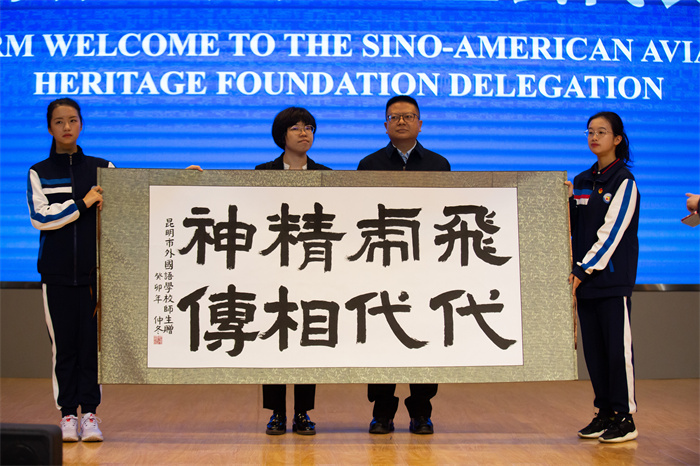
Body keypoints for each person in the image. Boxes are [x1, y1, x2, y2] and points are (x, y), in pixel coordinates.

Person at [357, 95, 450, 435]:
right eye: (394, 117)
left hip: (425, 266)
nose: (401, 122)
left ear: (419, 124)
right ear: (385, 125)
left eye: (408, 116)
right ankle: (382, 413)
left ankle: (421, 412)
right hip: (382, 264)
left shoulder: (439, 165)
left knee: (424, 335)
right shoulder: (368, 165)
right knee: (382, 336)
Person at [27, 98, 113, 442]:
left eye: (73, 120)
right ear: (50, 127)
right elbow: (41, 218)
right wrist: (82, 203)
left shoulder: (102, 167)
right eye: (59, 121)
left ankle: (89, 415)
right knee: (64, 349)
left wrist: (178, 180)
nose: (67, 127)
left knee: (91, 349)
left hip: (94, 276)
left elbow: (131, 199)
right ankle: (67, 416)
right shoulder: (39, 171)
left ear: (81, 124)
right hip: (56, 276)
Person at [255, 106, 330, 435]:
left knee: (307, 337)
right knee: (274, 337)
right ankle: (276, 412)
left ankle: (302, 412)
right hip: (273, 266)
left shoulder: (326, 174)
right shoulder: (262, 172)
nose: (304, 133)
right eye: (296, 127)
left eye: (309, 127)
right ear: (281, 135)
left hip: (312, 266)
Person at [566, 111, 640, 443]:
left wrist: (583, 270)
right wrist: (566, 201)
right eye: (590, 132)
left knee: (616, 352)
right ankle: (605, 412)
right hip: (585, 283)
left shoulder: (623, 181)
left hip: (610, 281)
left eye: (602, 132)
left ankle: (625, 417)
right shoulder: (583, 180)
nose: (594, 137)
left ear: (617, 139)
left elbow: (611, 235)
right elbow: (574, 225)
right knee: (595, 353)